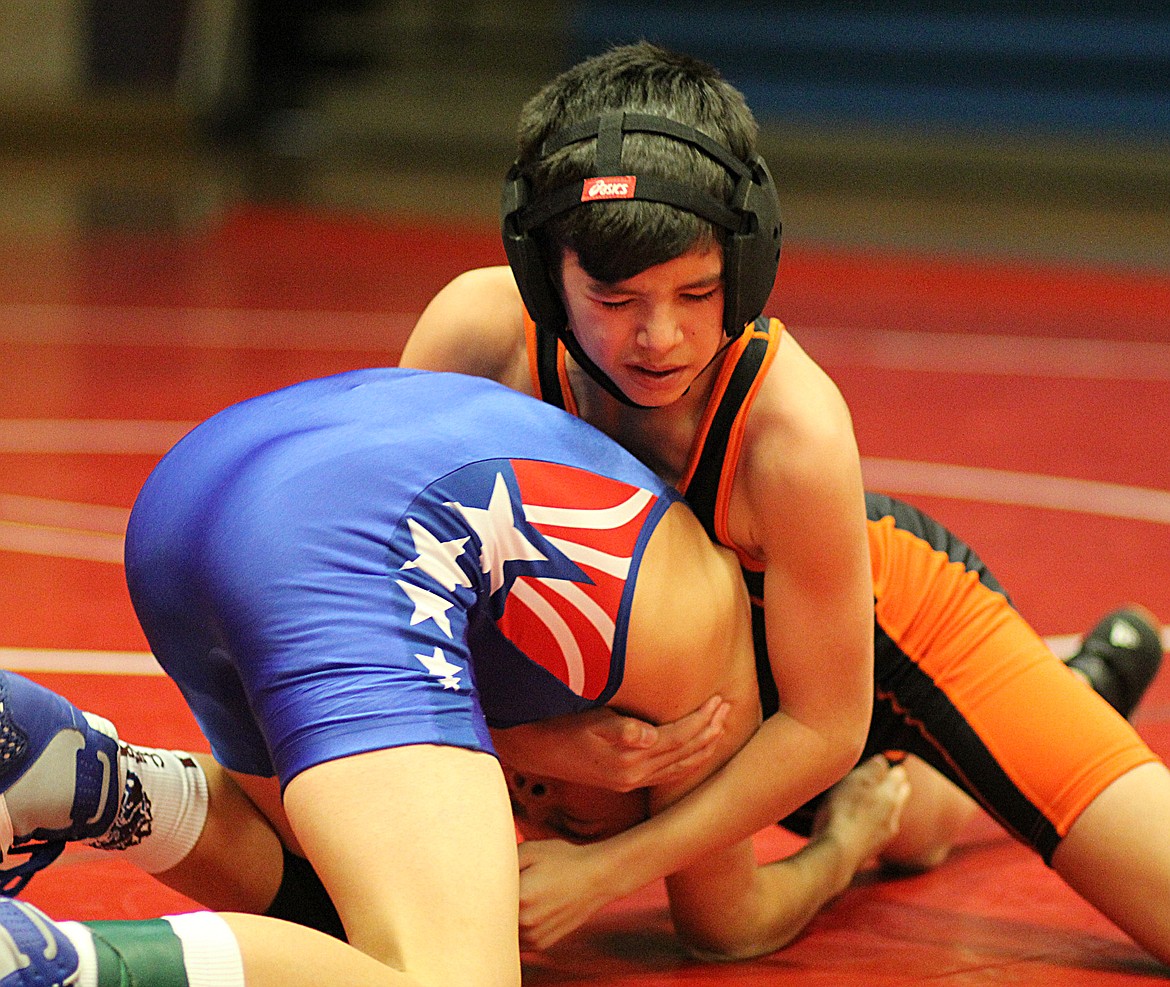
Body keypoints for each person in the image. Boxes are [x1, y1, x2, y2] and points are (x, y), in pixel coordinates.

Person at [399, 41, 1170, 962]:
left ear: (749, 261)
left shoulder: (789, 428)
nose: (661, 337)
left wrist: (608, 872)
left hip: (896, 630)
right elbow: (389, 595)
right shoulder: (481, 342)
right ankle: (928, 790)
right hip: (706, 693)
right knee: (910, 831)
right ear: (540, 269)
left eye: (699, 291)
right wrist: (532, 740)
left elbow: (825, 724)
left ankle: (1073, 693)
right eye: (614, 295)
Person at [0, 366, 914, 986]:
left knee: (330, 907)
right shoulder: (708, 696)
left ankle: (83, 776)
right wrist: (842, 843)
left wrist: (546, 789)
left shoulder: (561, 620)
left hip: (189, 498)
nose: (534, 816)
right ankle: (51, 964)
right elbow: (731, 919)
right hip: (340, 550)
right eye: (558, 804)